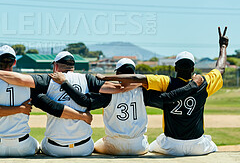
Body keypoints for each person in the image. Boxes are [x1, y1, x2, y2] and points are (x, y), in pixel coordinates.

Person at [95, 27, 229, 156]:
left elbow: (138, 78)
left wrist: (106, 77)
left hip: (171, 145)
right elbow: (220, 68)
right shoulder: (203, 83)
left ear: (175, 68)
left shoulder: (166, 82)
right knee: (212, 146)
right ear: (193, 68)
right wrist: (223, 46)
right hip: (197, 144)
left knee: (153, 146)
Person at [0, 51, 126, 157]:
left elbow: (21, 80)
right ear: (72, 66)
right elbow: (116, 88)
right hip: (84, 148)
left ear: (55, 66)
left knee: (40, 144)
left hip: (55, 149)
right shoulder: (87, 78)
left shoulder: (48, 80)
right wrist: (140, 82)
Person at [49, 58, 205, 155]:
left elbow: (85, 101)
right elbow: (167, 100)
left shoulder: (108, 92)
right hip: (139, 146)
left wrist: (65, 84)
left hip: (114, 145)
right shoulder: (145, 92)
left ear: (117, 73)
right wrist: (192, 87)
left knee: (94, 145)